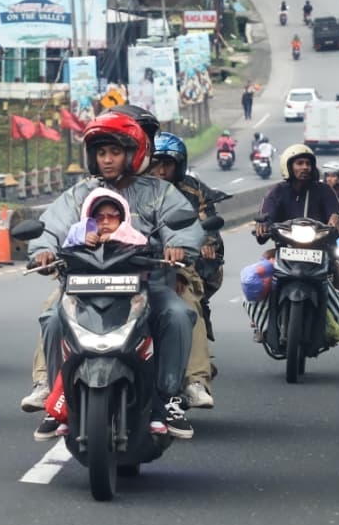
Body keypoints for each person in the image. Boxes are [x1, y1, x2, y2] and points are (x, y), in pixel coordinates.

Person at [26, 110, 202, 441]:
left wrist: (177, 247)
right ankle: (54, 398)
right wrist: (43, 251)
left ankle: (168, 398)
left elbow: (185, 227)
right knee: (51, 318)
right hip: (84, 285)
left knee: (178, 314)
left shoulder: (159, 192)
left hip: (144, 285)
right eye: (101, 153)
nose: (107, 160)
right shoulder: (80, 193)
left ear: (133, 153)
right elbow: (51, 227)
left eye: (115, 152)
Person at [148, 132, 225, 411]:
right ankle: (50, 385)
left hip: (177, 267)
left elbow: (206, 228)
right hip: (129, 267)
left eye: (167, 164)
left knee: (188, 308)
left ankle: (195, 381)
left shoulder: (193, 191)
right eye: (154, 163)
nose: (160, 170)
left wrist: (205, 244)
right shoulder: (133, 188)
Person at [249, 144, 339, 340]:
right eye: (299, 163)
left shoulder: (324, 191)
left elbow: (337, 215)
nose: (305, 167)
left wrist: (337, 221)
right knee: (260, 270)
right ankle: (260, 322)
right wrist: (263, 226)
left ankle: (335, 320)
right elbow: (266, 216)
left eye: (308, 163)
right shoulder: (276, 191)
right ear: (288, 166)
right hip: (284, 249)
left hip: (321, 250)